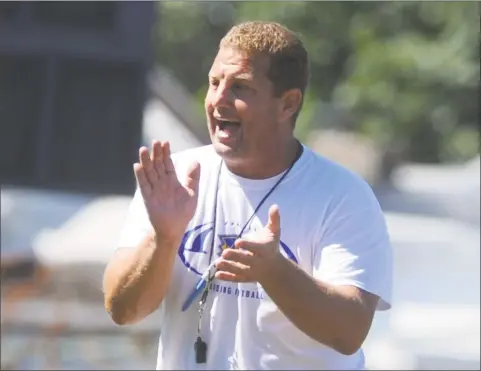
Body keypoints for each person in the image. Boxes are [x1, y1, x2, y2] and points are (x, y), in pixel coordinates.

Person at [103, 21, 392, 370]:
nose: (218, 100)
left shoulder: (343, 195)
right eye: (214, 83)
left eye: (240, 87)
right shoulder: (173, 179)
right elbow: (122, 309)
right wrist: (163, 239)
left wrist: (274, 271)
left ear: (288, 104)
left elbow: (349, 332)